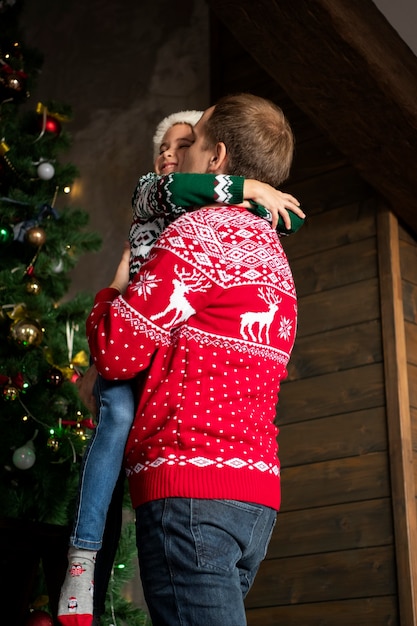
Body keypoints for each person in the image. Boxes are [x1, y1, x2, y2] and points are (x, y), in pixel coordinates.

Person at [57, 107, 304, 626]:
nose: (177, 155)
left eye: (191, 144)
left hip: (191, 490)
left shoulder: (197, 235)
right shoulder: (275, 255)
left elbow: (117, 353)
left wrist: (111, 294)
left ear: (215, 158)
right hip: (256, 500)